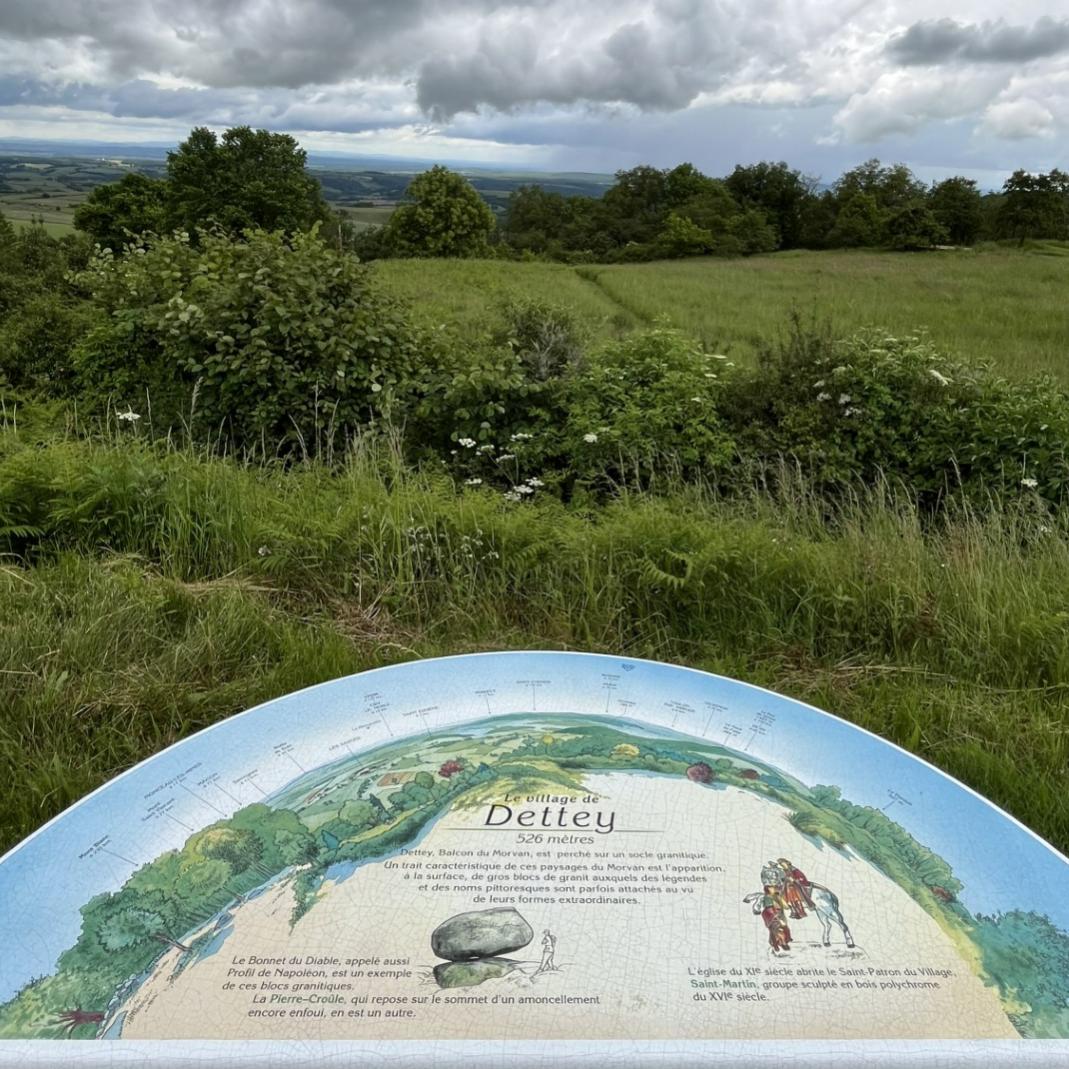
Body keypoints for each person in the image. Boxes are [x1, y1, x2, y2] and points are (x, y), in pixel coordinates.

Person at [759, 886, 792, 952]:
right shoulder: (767, 898)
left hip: (778, 915)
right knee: (778, 930)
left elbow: (786, 907)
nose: (773, 889)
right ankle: (781, 943)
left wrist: (779, 898)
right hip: (772, 917)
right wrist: (776, 917)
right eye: (771, 888)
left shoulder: (775, 896)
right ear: (768, 890)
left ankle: (780, 942)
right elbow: (769, 909)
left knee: (781, 929)